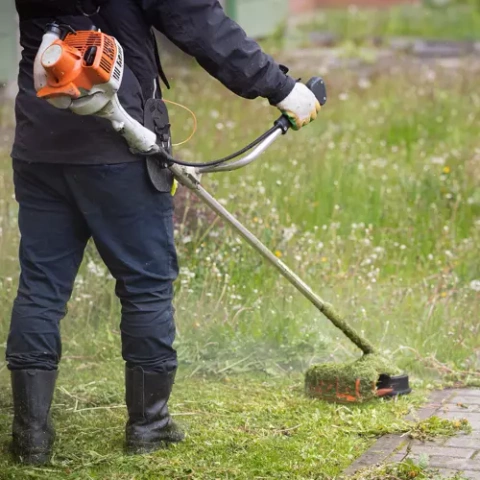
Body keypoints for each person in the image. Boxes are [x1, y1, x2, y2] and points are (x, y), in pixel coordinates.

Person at [9, 0, 321, 466]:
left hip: (40, 141)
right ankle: (149, 426)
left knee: (40, 289)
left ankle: (30, 437)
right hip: (118, 141)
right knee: (146, 286)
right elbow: (196, 20)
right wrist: (280, 88)